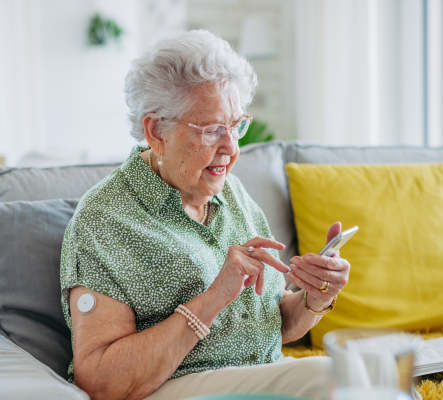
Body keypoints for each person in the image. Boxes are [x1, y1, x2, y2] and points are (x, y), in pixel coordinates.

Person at [60, 29, 351, 400]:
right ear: (156, 131)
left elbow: (272, 326)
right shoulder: (106, 219)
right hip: (173, 388)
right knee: (331, 377)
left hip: (260, 378)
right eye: (213, 130)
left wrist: (317, 295)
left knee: (370, 373)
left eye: (236, 126)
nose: (231, 147)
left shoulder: (232, 193)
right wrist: (215, 296)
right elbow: (100, 381)